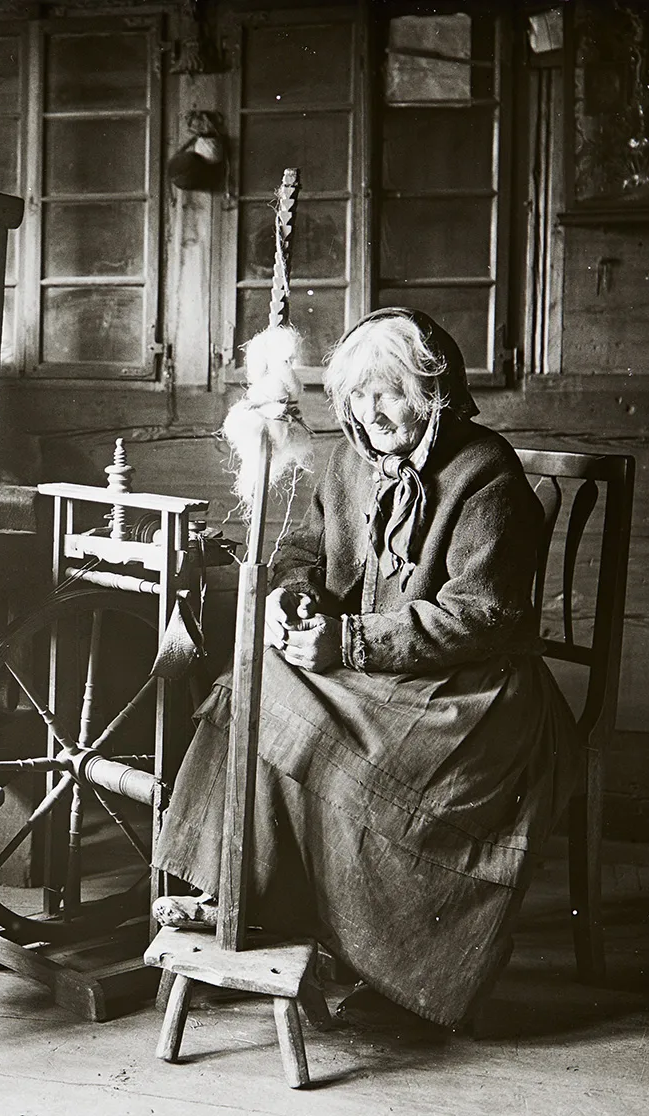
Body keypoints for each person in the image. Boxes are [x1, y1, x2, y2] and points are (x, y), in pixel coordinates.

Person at [154, 307, 581, 1029]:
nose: (369, 411)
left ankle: (374, 956)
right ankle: (240, 895)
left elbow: (478, 617)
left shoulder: (486, 473)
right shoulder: (352, 461)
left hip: (469, 692)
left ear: (429, 390)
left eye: (387, 392)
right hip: (383, 672)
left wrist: (346, 643)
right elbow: (308, 550)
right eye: (355, 394)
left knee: (311, 721)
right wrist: (295, 598)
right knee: (251, 685)